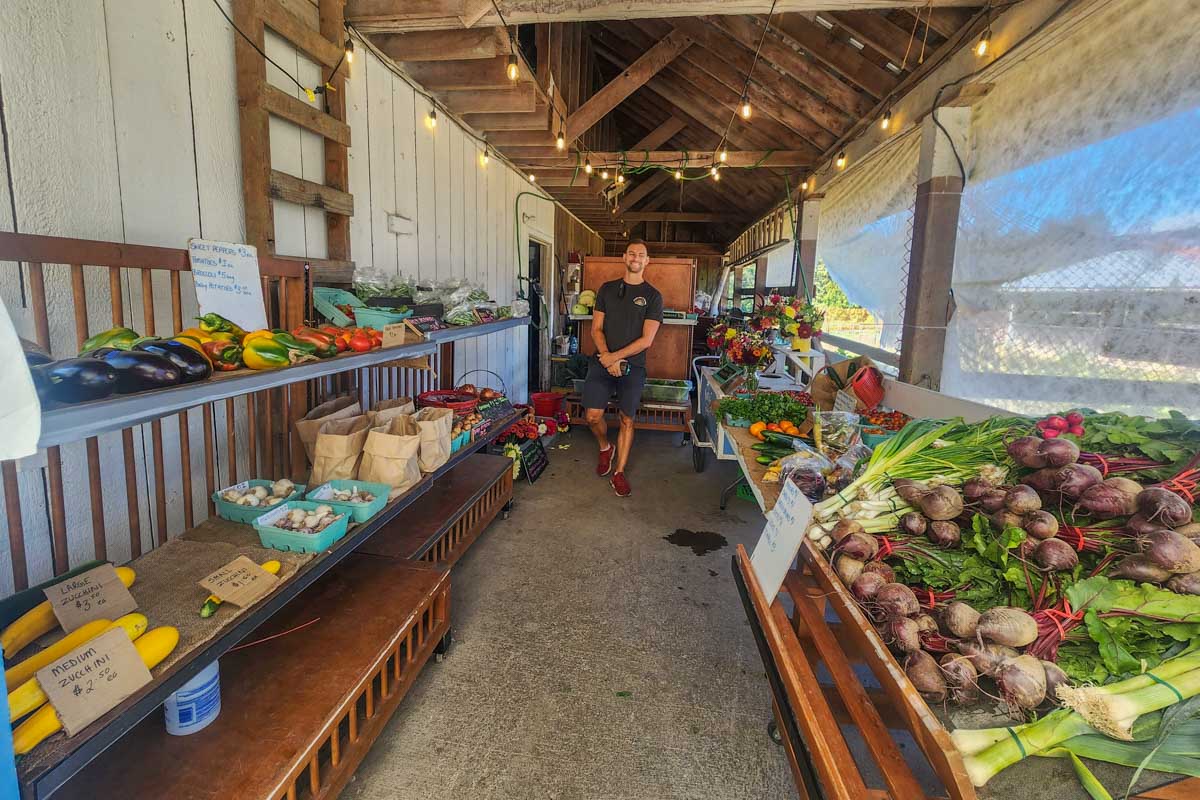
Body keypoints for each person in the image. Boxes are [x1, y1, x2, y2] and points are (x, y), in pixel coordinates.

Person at [582, 239, 663, 497]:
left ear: (647, 261)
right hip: (602, 361)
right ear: (624, 257)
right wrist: (607, 357)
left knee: (627, 419)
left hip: (633, 366)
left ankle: (619, 472)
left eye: (641, 255)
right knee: (592, 416)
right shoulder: (606, 289)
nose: (635, 258)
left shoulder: (653, 296)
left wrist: (615, 358)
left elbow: (646, 340)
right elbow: (596, 329)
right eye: (631, 253)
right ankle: (605, 447)